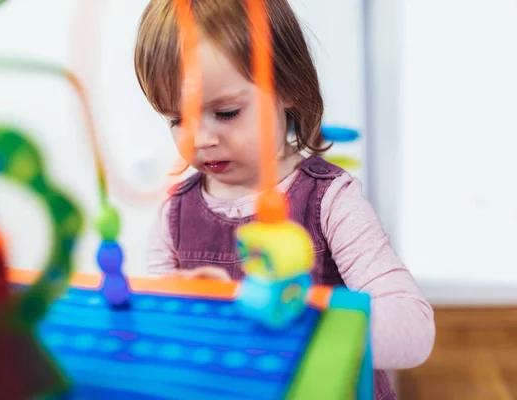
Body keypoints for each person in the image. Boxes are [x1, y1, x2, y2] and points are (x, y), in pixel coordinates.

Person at [134, 1, 435, 398]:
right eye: (178, 119)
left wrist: (300, 319)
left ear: (288, 87)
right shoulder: (173, 215)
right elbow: (163, 332)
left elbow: (414, 329)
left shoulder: (331, 201)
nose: (200, 139)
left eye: (226, 112)